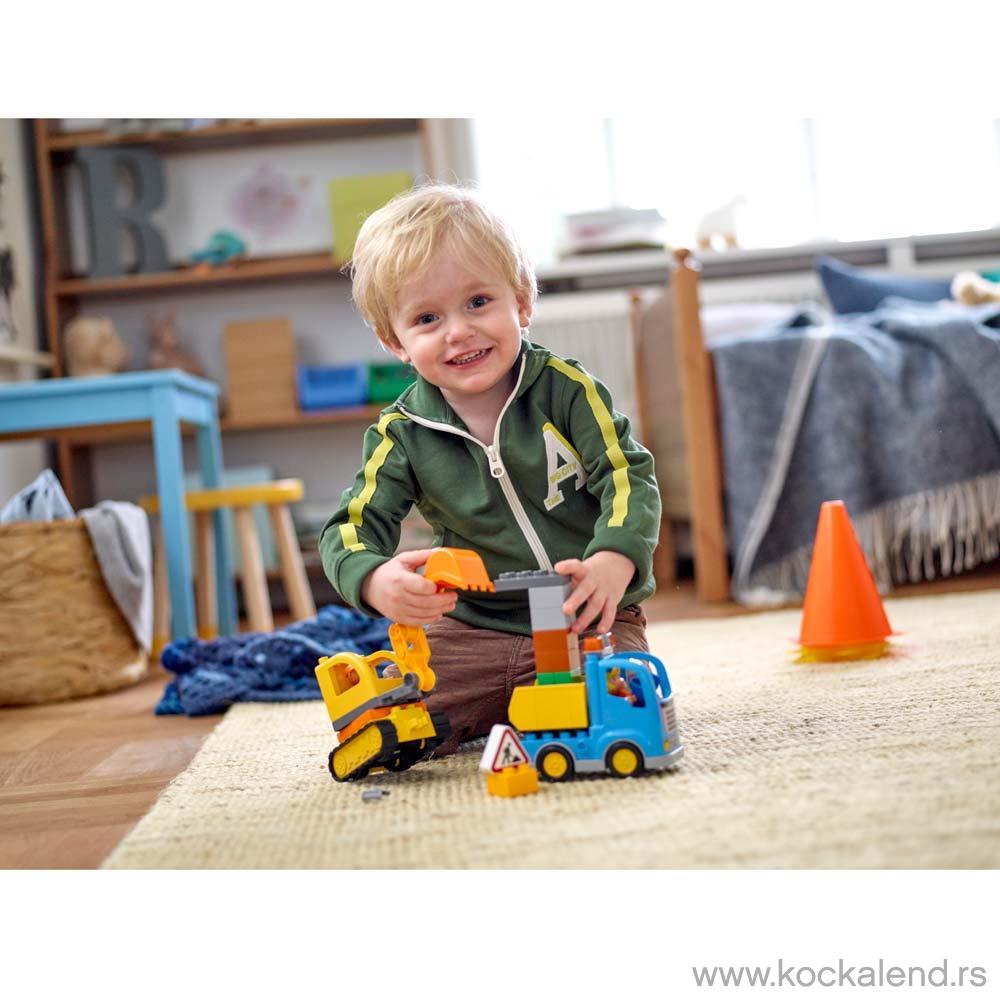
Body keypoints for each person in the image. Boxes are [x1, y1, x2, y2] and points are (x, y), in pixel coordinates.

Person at [319, 184, 661, 754]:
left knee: (622, 697)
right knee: (399, 703)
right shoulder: (400, 432)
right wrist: (375, 579)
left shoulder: (569, 392)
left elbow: (628, 476)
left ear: (522, 302)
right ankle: (468, 716)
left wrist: (614, 559)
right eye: (427, 318)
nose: (458, 331)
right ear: (395, 341)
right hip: (473, 624)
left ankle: (542, 711)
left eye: (478, 302)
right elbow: (348, 530)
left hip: (583, 611)